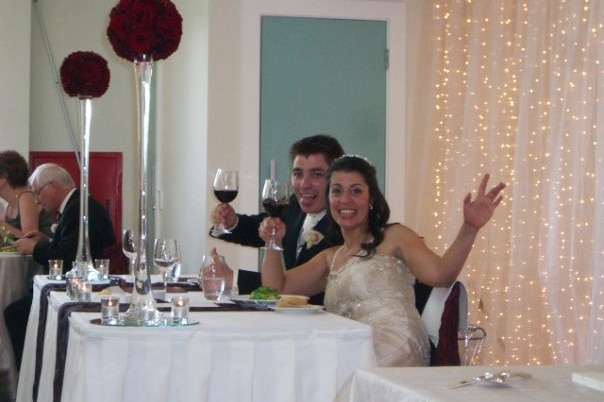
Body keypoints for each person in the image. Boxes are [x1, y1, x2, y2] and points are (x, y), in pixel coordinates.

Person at [259, 155, 506, 367]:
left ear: (371, 199)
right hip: (352, 348)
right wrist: (272, 242)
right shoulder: (330, 256)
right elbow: (275, 289)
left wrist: (469, 228)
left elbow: (441, 275)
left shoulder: (394, 237)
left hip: (396, 345)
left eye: (356, 191)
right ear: (329, 199)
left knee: (323, 370)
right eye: (337, 191)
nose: (345, 200)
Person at [210, 134, 344, 302]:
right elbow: (262, 228)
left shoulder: (345, 228)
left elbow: (288, 286)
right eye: (298, 174)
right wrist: (231, 222)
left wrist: (233, 278)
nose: (304, 184)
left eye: (316, 175)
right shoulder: (295, 205)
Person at [6, 163, 115, 369]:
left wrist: (35, 248)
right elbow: (69, 246)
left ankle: (32, 371)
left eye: (38, 193)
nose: (37, 200)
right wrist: (46, 240)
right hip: (81, 282)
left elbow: (68, 257)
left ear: (53, 186)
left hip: (85, 288)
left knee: (15, 313)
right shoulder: (79, 205)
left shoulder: (79, 210)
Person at [0, 150, 53, 240]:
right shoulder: (10, 204)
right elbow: (8, 240)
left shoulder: (26, 197)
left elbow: (30, 239)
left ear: (5, 177)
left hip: (46, 253)